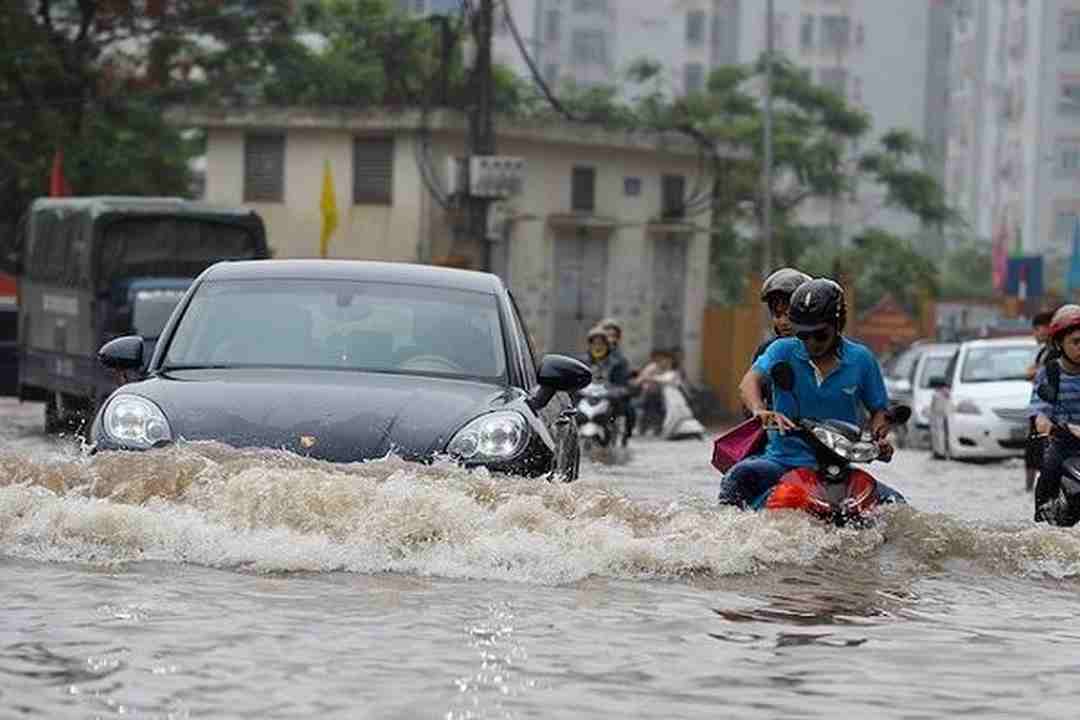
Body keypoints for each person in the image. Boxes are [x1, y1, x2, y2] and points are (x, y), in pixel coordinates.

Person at [718, 278, 905, 509]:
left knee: (897, 505)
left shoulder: (862, 359)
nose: (811, 343)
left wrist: (878, 439)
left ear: (838, 324)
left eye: (820, 335)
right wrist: (761, 410)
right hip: (782, 462)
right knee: (739, 477)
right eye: (803, 335)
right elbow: (749, 382)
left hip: (838, 466)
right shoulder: (782, 350)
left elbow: (879, 410)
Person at [1031, 305, 1080, 525]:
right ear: (1060, 343)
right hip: (1064, 444)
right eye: (1076, 342)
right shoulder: (1050, 374)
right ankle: (1043, 520)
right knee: (1049, 469)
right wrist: (1057, 427)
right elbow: (1040, 414)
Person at [748, 268, 812, 415]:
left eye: (789, 315)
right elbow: (750, 388)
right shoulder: (767, 350)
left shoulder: (829, 350)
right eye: (777, 315)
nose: (783, 322)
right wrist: (758, 410)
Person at [1025, 310, 1055, 492]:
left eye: (1036, 329)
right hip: (1037, 409)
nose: (1035, 334)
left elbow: (1044, 374)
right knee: (1032, 454)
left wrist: (1035, 372)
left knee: (1042, 454)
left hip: (1049, 412)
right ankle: (1029, 490)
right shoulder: (1044, 352)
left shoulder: (1057, 352)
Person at [601, 318, 635, 443]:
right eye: (607, 335)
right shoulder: (591, 354)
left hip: (614, 394)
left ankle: (623, 439)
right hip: (593, 393)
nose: (610, 338)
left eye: (613, 335)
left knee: (629, 411)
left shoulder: (620, 359)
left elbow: (624, 380)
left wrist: (622, 389)